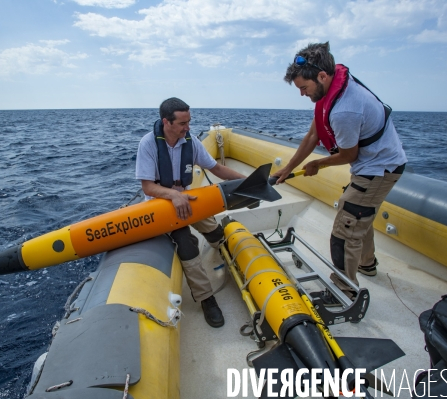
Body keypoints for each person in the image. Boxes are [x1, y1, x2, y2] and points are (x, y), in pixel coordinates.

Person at [272, 42, 407, 300]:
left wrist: (317, 164)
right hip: (372, 164)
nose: (302, 94)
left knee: (346, 227)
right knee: (357, 215)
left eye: (304, 88)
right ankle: (366, 264)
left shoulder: (345, 110)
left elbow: (348, 155)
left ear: (322, 76)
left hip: (379, 168)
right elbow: (313, 134)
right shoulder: (329, 92)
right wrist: (289, 168)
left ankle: (344, 290)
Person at [135, 97, 246, 327]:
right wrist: (173, 195)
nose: (188, 128)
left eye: (189, 122)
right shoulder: (148, 144)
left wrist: (248, 180)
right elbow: (147, 187)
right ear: (166, 122)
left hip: (185, 198)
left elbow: (216, 168)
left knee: (213, 230)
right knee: (187, 245)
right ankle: (207, 299)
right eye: (183, 123)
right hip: (161, 206)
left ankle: (228, 252)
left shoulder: (191, 142)